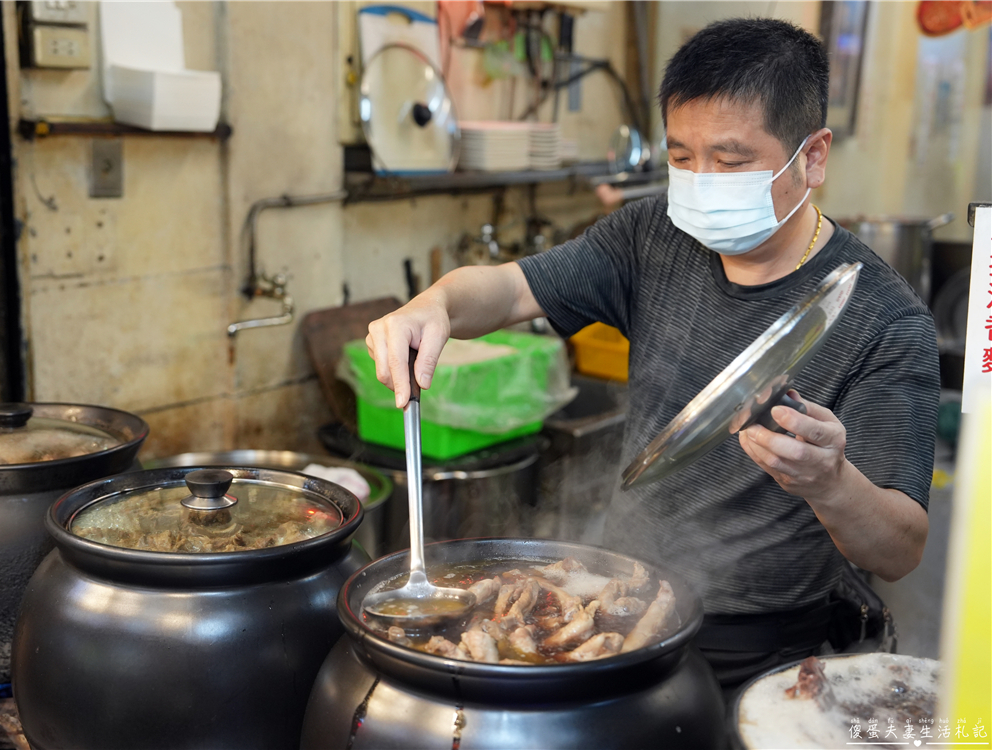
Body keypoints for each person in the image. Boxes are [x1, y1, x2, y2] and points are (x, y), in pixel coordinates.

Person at [364, 18, 940, 695]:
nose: (700, 182)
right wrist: (434, 303)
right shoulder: (652, 235)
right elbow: (509, 287)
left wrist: (831, 482)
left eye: (730, 162)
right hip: (616, 602)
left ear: (812, 157)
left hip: (762, 650)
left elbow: (900, 550)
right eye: (682, 157)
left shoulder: (885, 317)